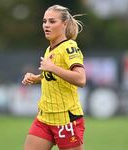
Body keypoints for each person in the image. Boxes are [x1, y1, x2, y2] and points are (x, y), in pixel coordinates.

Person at [22, 5, 86, 150]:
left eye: (52, 21)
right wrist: (36, 78)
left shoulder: (70, 47)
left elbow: (81, 79)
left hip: (66, 120)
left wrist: (52, 68)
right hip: (44, 118)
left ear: (64, 24)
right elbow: (52, 76)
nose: (46, 25)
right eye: (44, 21)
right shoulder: (49, 49)